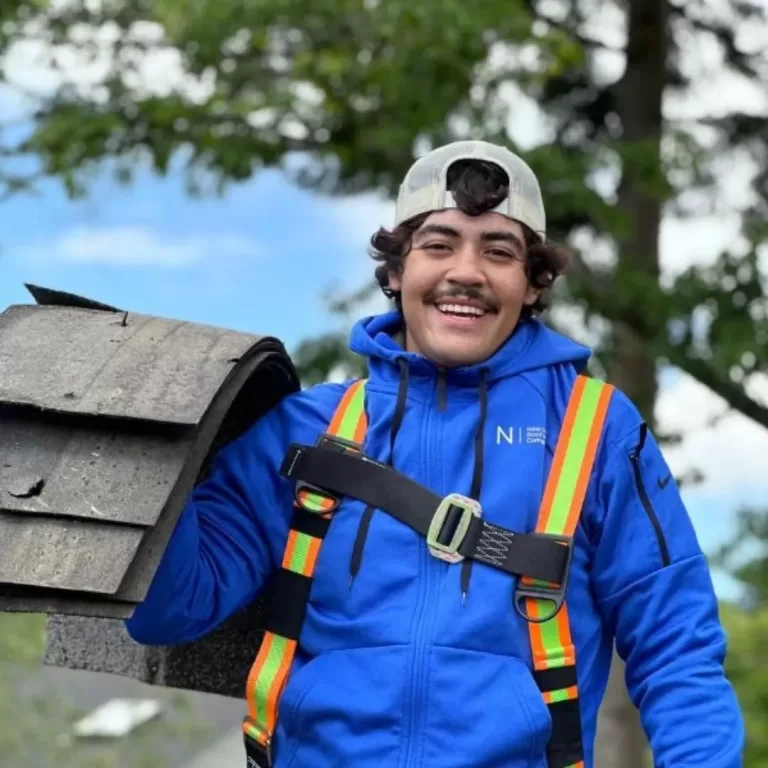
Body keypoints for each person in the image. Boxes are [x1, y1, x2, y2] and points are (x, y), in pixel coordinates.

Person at [126, 140, 744, 768]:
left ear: (533, 285)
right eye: (439, 244)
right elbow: (171, 612)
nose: (467, 273)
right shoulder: (303, 429)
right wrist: (147, 448)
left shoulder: (597, 430)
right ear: (396, 273)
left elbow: (676, 650)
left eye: (499, 252)